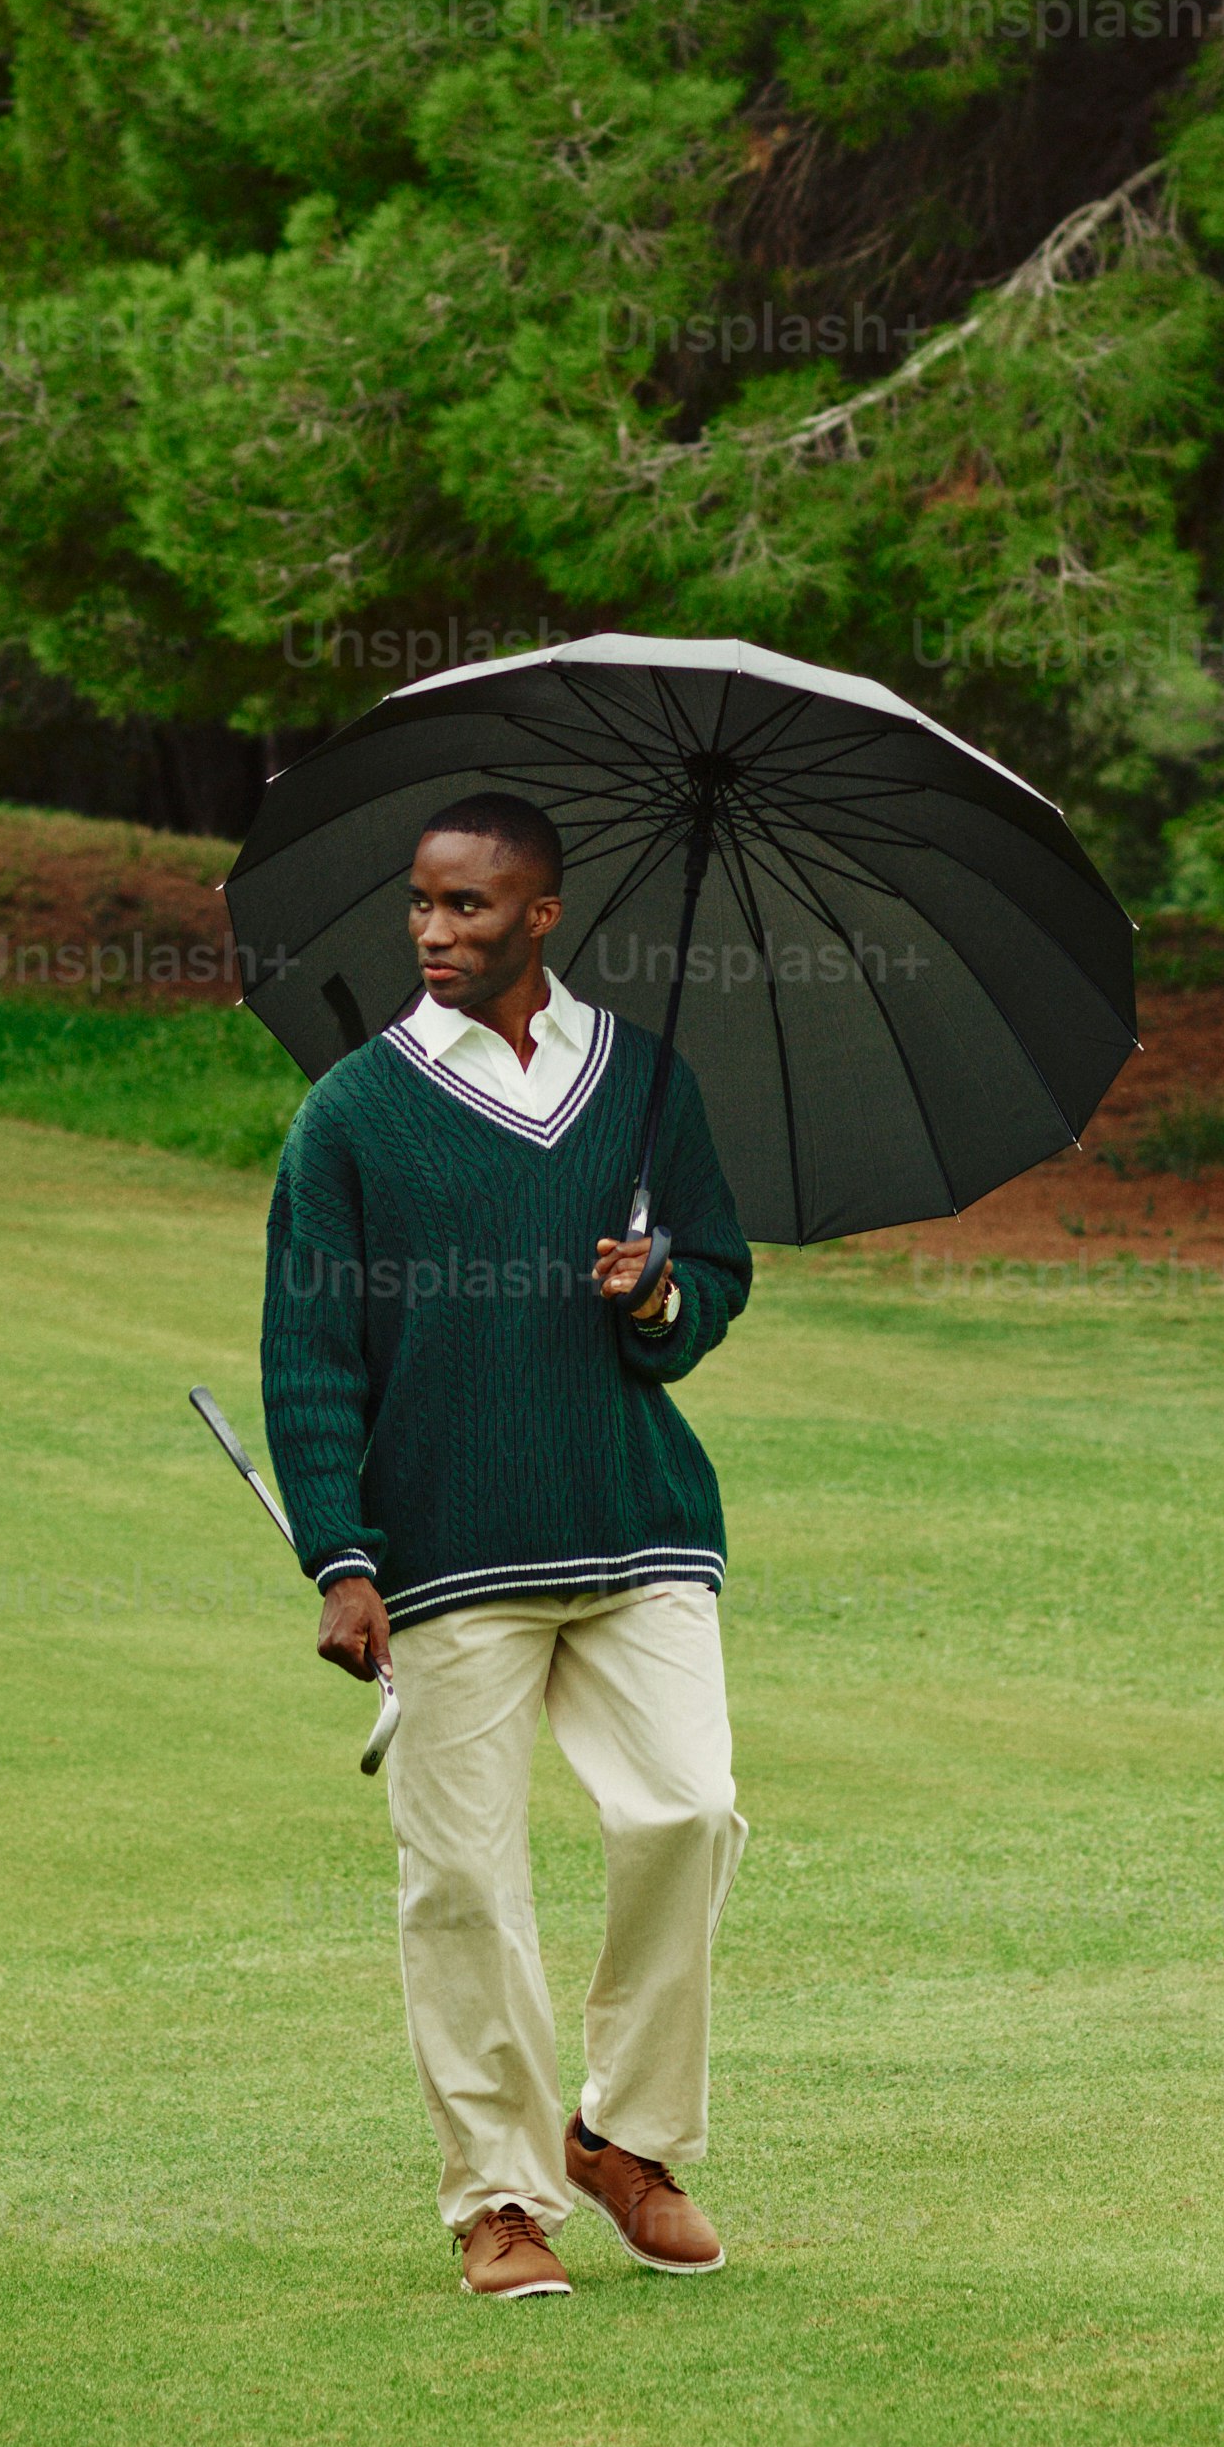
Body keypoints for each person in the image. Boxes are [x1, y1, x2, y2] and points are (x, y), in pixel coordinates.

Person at [260, 793, 753, 2299]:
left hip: (637, 1525)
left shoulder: (648, 1080)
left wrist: (655, 1294)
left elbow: (715, 1279)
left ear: (544, 917)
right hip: (448, 1556)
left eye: (470, 907)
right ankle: (499, 2195)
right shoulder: (352, 1111)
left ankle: (624, 2138)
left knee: (691, 1813)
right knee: (464, 1880)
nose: (433, 930)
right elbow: (310, 1353)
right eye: (422, 903)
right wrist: (343, 1556)